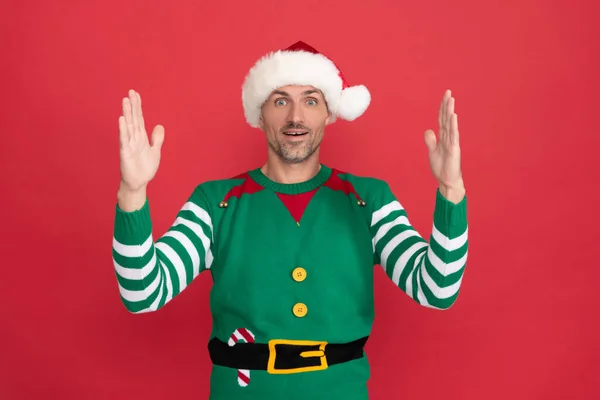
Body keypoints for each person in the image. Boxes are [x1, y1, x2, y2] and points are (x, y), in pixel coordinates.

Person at [112, 40, 468, 400]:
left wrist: (451, 189)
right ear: (260, 113)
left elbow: (436, 289)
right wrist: (133, 192)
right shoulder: (214, 202)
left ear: (329, 113)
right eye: (280, 101)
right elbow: (143, 293)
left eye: (311, 101)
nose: (295, 116)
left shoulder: (368, 200)